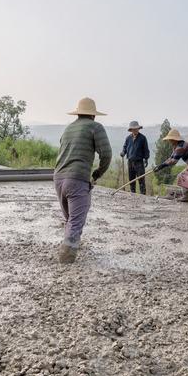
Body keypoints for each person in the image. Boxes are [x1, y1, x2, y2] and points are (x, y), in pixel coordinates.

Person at [54, 97, 112, 264]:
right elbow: (107, 154)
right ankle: (66, 258)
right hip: (77, 179)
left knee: (70, 218)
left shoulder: (69, 128)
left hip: (58, 178)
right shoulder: (95, 127)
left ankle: (71, 246)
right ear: (93, 115)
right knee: (76, 221)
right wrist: (97, 174)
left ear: (78, 113)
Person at [120, 121, 150, 195]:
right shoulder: (128, 138)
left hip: (139, 162)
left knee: (141, 179)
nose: (135, 130)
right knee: (131, 179)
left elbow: (146, 149)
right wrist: (123, 152)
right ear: (131, 130)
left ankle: (143, 195)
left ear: (138, 129)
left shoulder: (142, 138)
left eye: (136, 129)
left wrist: (146, 159)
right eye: (133, 129)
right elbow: (125, 147)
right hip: (130, 161)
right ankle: (132, 194)